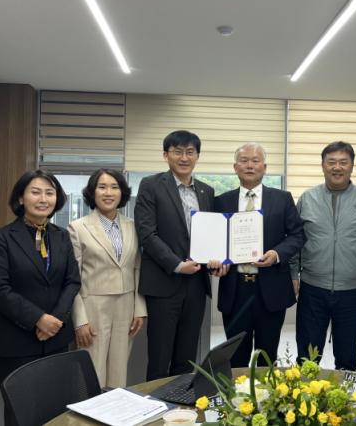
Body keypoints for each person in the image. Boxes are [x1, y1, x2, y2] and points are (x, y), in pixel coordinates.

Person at [0, 170, 81, 425]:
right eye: (36, 192)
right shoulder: (2, 237)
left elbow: (72, 280)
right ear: (20, 198)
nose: (43, 199)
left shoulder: (61, 236)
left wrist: (55, 320)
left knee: (56, 412)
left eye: (50, 193)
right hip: (17, 342)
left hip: (57, 340)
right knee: (21, 414)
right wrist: (39, 319)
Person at [134, 130, 227, 380]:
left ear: (197, 156)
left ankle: (181, 401)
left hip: (196, 285)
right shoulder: (151, 185)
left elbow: (211, 235)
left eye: (190, 152)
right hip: (164, 283)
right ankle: (156, 402)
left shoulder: (206, 191)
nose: (184, 158)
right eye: (177, 152)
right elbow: (147, 234)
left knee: (187, 358)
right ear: (166, 155)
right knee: (159, 358)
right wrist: (176, 264)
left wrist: (216, 261)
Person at [291, 141, 356, 370]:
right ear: (323, 166)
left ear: (352, 166)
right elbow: (295, 241)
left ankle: (344, 393)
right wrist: (293, 274)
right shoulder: (307, 198)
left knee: (347, 357)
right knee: (307, 358)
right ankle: (305, 393)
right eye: (331, 162)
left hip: (353, 291)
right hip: (313, 289)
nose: (337, 167)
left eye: (343, 162)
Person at [214, 143, 305, 367]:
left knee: (267, 357)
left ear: (264, 167)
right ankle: (238, 391)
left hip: (271, 289)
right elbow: (214, 239)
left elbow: (298, 235)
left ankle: (266, 391)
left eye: (255, 161)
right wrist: (216, 261)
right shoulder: (221, 201)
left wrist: (277, 253)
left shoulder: (282, 198)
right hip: (235, 290)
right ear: (235, 167)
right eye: (244, 161)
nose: (250, 165)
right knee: (236, 358)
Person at [68, 168, 147, 388]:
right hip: (93, 306)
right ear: (92, 192)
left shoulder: (133, 226)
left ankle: (115, 410)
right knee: (93, 371)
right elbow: (73, 278)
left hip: (126, 307)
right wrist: (80, 320)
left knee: (119, 371)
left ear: (122, 192)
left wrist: (139, 309)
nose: (108, 193)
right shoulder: (78, 228)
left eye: (114, 187)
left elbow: (137, 268)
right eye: (102, 187)